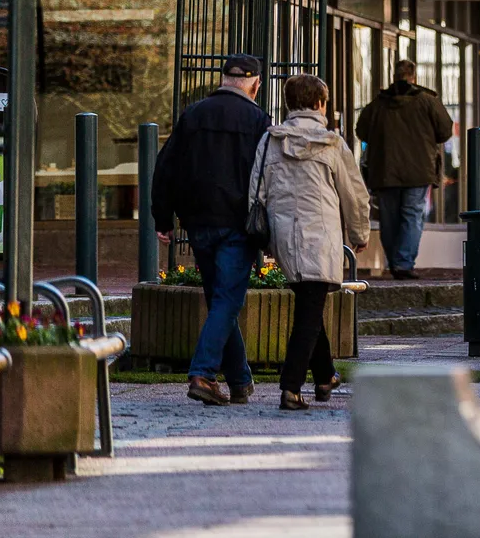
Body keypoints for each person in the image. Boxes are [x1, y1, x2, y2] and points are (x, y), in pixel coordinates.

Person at [151, 53, 272, 407]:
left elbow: (166, 168)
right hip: (238, 223)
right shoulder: (258, 119)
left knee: (220, 299)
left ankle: (239, 381)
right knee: (227, 299)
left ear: (223, 79)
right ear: (255, 84)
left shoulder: (193, 114)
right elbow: (268, 176)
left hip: (199, 221)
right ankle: (202, 374)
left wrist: (163, 219)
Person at [252, 75, 371, 411]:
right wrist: (360, 235)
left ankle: (325, 375)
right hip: (321, 236)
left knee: (309, 305)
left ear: (289, 104)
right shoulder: (332, 144)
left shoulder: (270, 141)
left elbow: (255, 191)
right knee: (308, 312)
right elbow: (354, 195)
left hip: (284, 235)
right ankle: (290, 387)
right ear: (321, 104)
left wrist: (264, 237)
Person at [354, 60, 452, 279]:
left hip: (385, 171)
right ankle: (403, 263)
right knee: (412, 216)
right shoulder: (428, 101)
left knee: (389, 219)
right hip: (419, 170)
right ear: (413, 77)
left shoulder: (379, 103)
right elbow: (445, 131)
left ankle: (395, 262)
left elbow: (361, 130)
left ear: (394, 76)